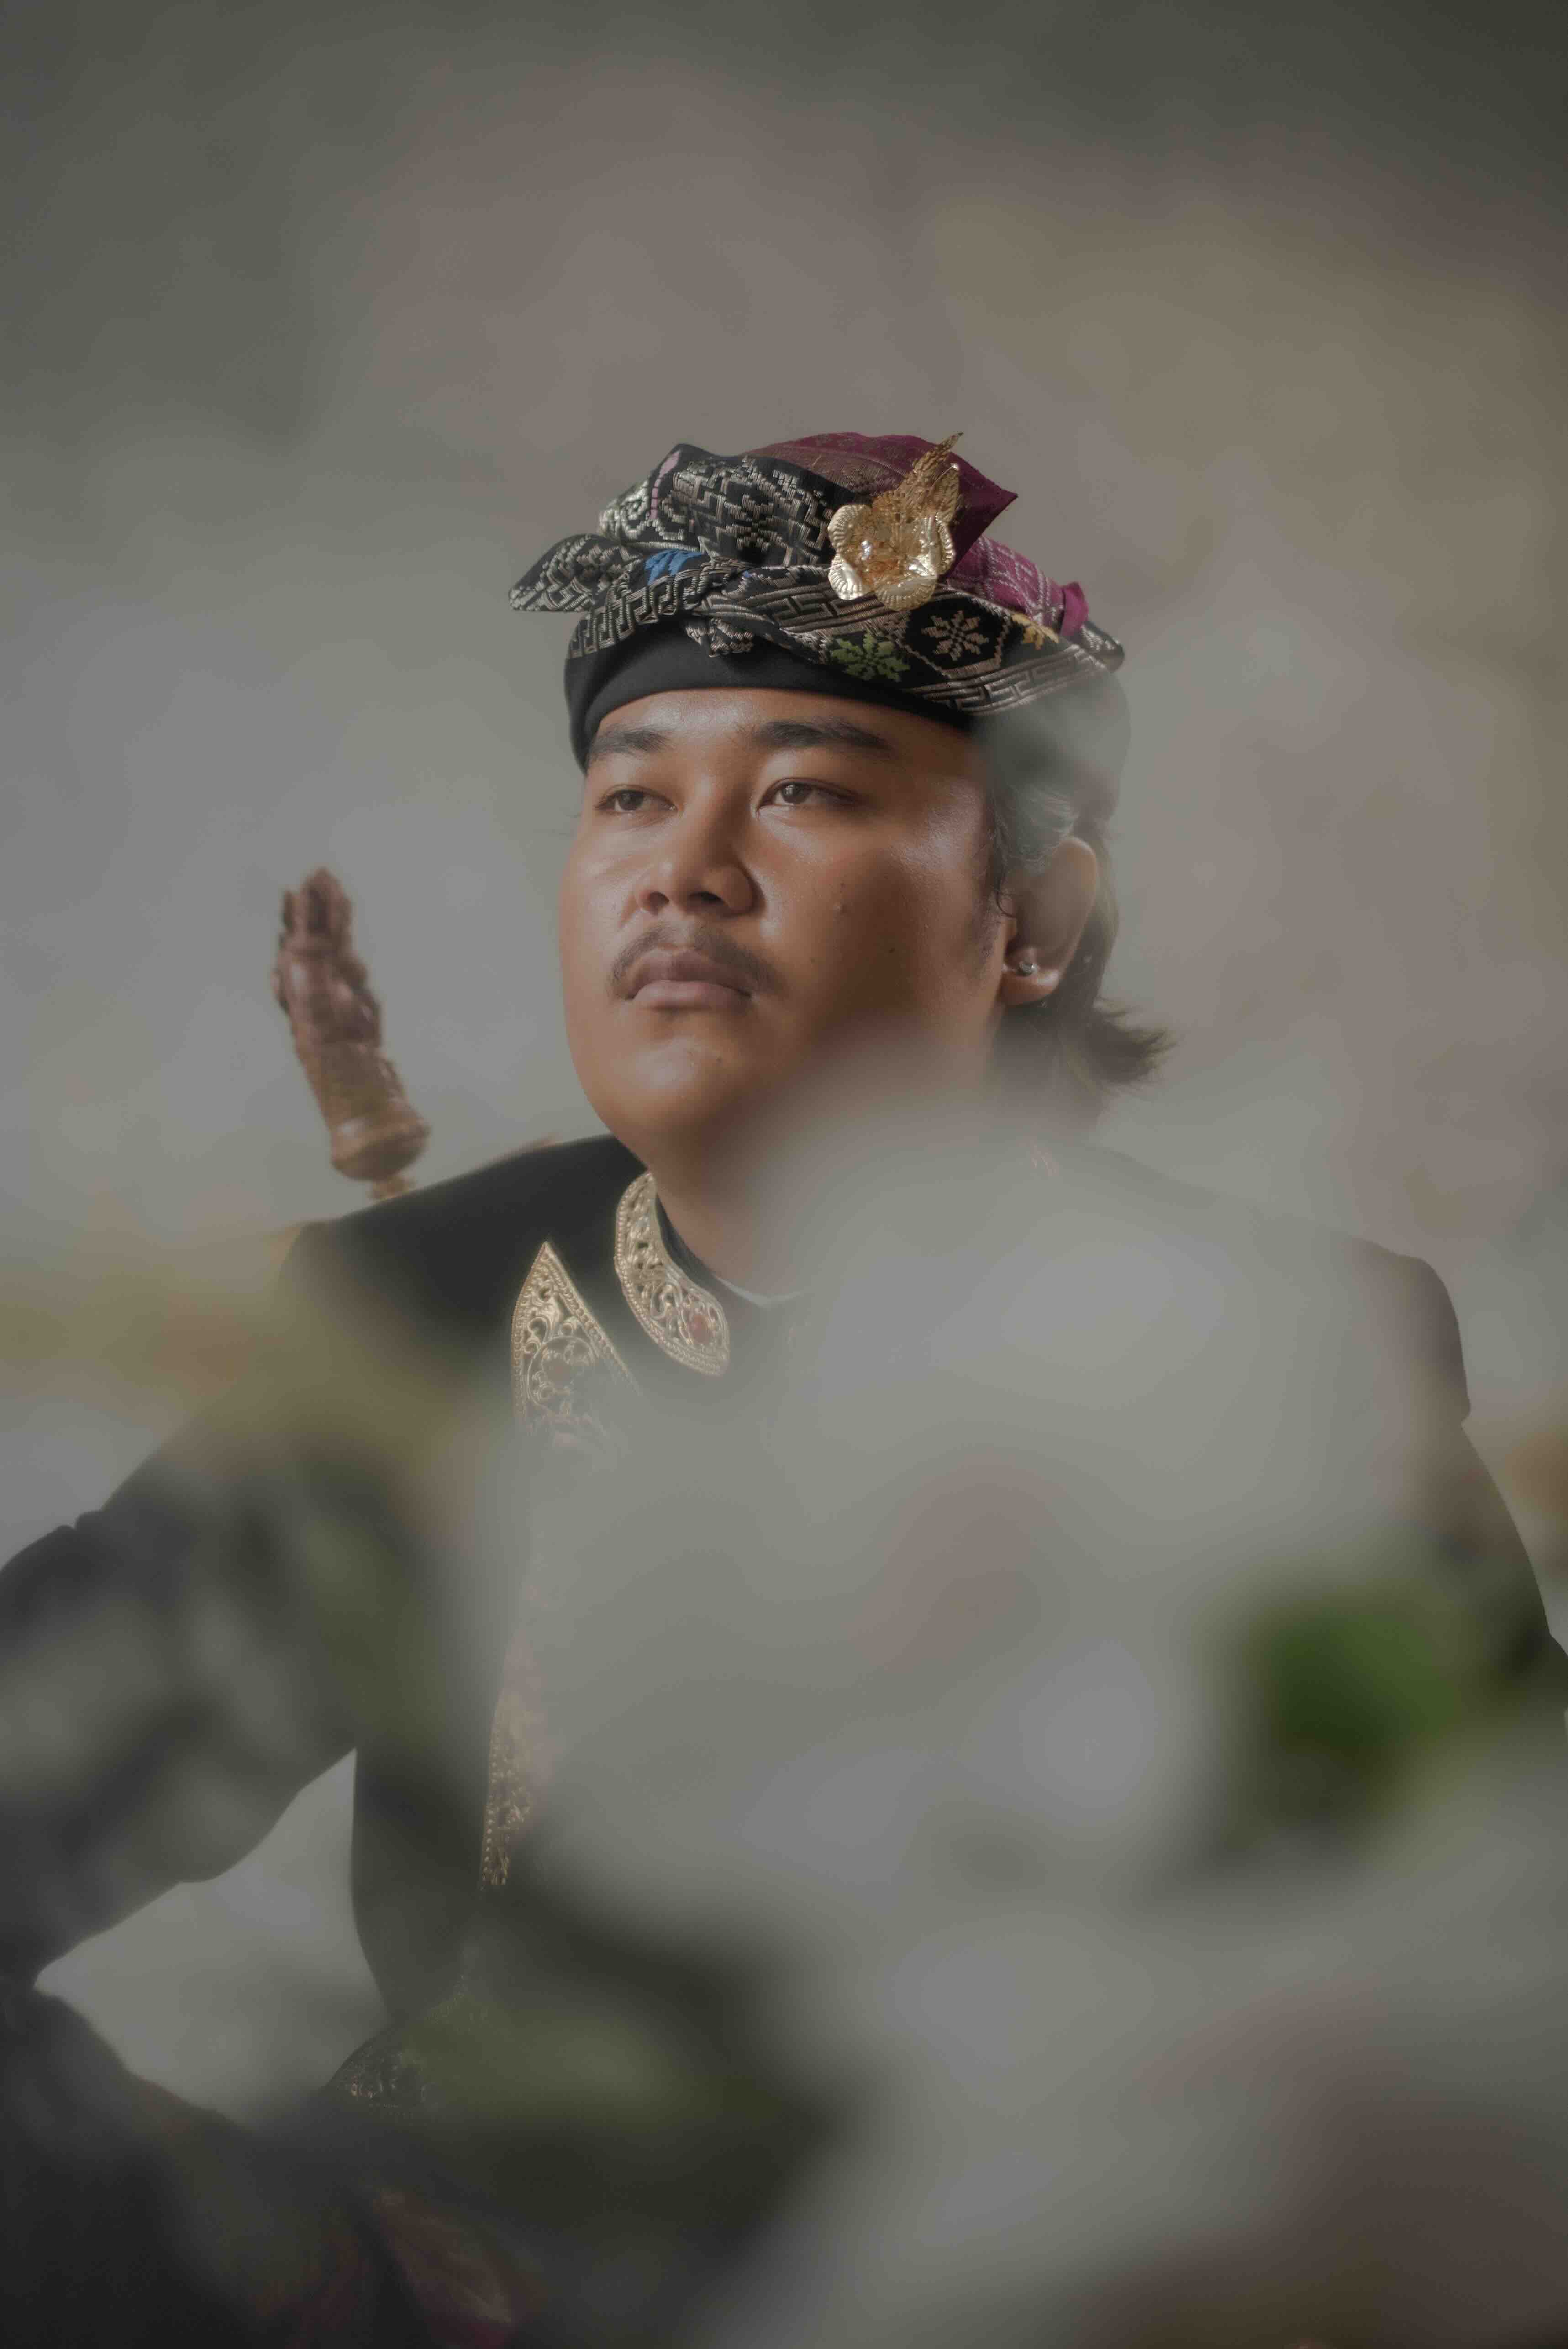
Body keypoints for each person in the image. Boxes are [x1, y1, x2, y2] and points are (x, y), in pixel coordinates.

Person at [1, 431, 1557, 2346]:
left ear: (1032, 918)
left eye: (805, 789)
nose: (682, 869)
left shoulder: (1289, 1357)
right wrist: (294, 2262)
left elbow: (1511, 1982)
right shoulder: (422, 1311)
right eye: (629, 796)